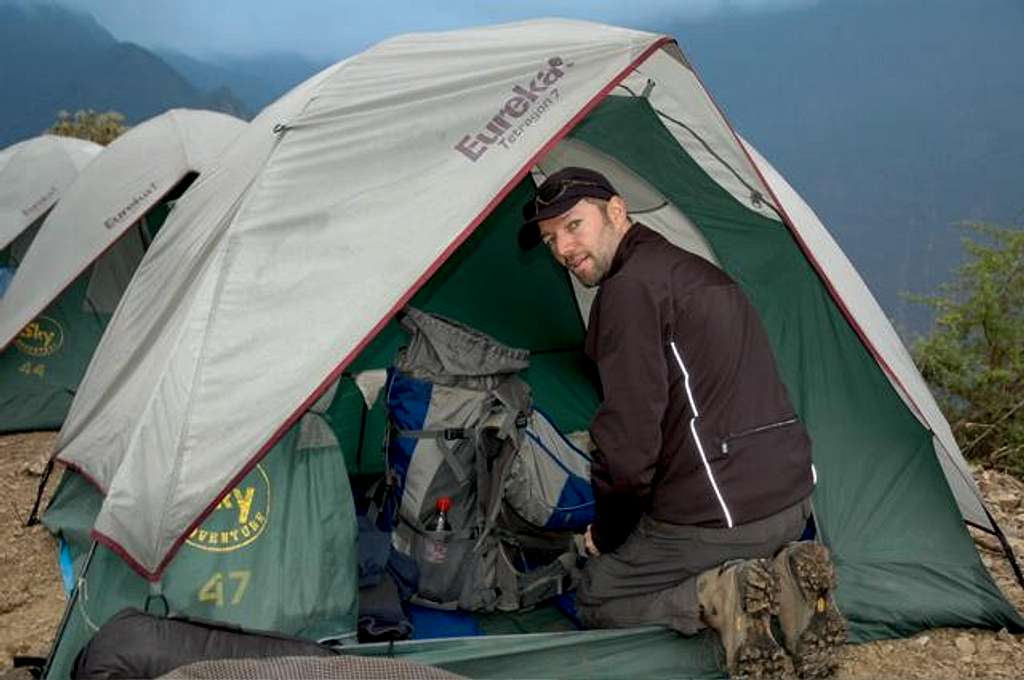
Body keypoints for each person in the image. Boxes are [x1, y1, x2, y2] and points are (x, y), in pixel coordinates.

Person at [519, 167, 846, 679]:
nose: (563, 248)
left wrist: (606, 533)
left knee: (596, 595)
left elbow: (628, 455)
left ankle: (719, 594)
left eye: (574, 226)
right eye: (550, 238)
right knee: (678, 523)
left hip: (722, 517)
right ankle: (783, 579)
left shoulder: (628, 293)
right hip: (793, 500)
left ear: (617, 211)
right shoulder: (692, 269)